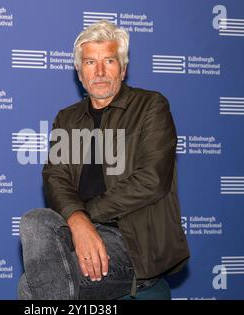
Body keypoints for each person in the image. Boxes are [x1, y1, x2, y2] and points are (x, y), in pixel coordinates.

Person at [18, 20, 189, 300]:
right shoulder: (68, 118)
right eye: (89, 63)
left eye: (109, 60)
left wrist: (85, 216)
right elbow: (55, 176)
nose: (99, 72)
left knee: (29, 286)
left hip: (134, 242)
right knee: (34, 220)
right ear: (79, 71)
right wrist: (77, 219)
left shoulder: (151, 106)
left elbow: (152, 179)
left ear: (122, 69)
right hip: (80, 227)